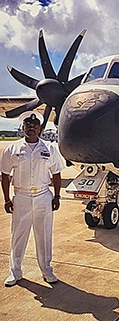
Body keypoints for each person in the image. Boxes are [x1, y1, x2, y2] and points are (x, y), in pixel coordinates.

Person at [0, 111, 65, 287]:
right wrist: (7, 199)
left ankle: (46, 270)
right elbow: (5, 175)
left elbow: (56, 173)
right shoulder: (12, 149)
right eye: (28, 124)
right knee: (18, 236)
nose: (31, 127)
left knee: (44, 235)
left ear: (40, 128)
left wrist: (57, 196)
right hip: (21, 197)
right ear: (23, 127)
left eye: (35, 125)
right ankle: (15, 272)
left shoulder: (49, 149)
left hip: (43, 196)